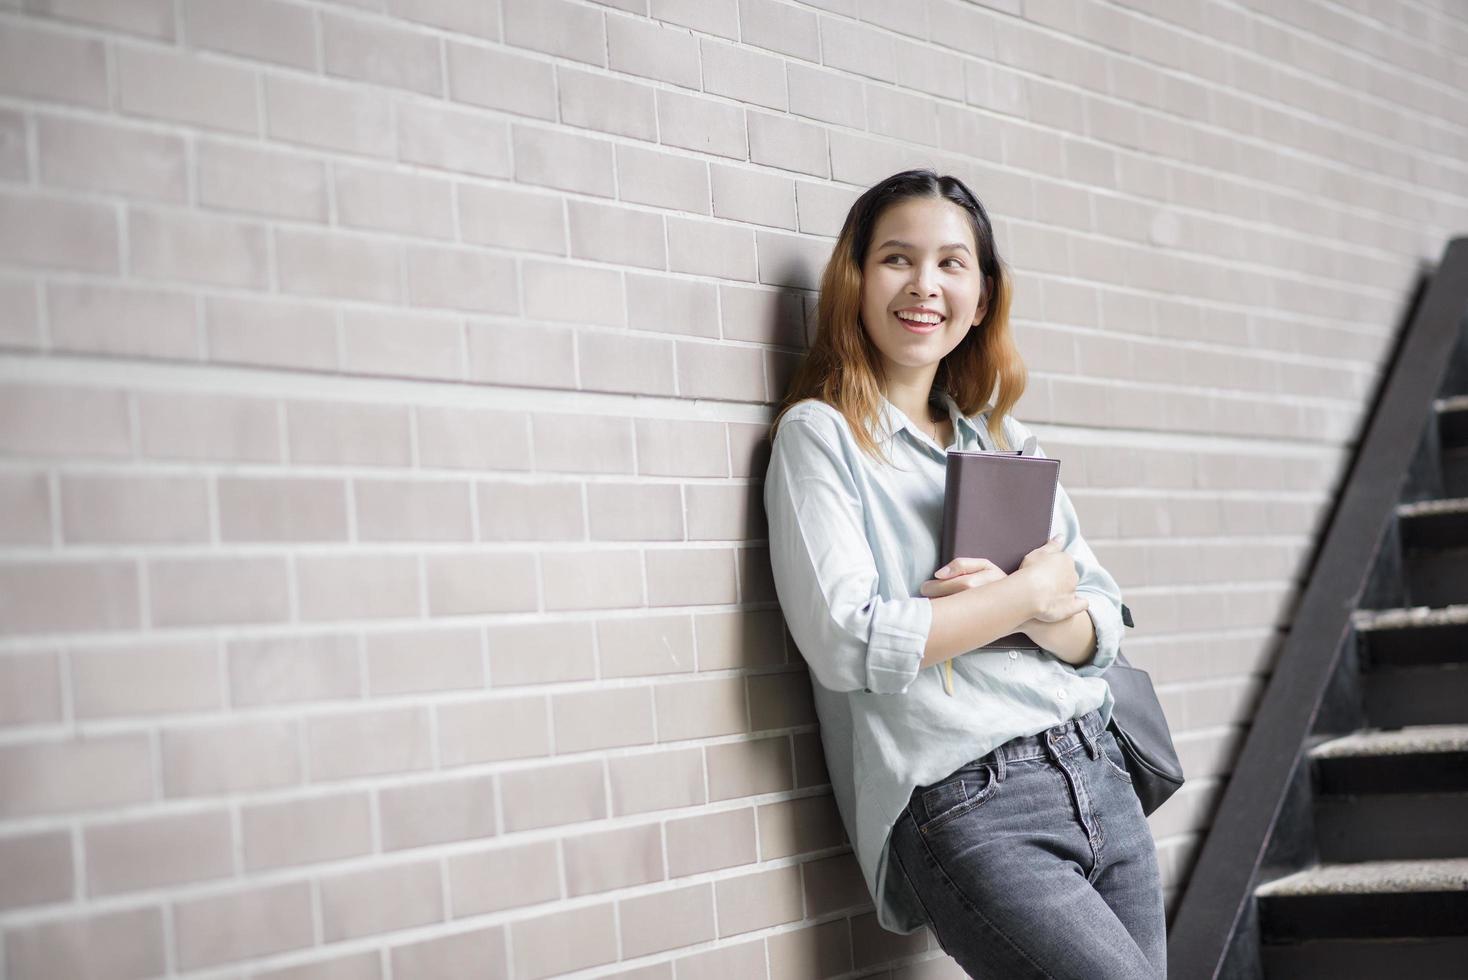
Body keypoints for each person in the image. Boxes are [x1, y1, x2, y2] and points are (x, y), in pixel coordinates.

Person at [763, 169, 1166, 979]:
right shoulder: (822, 439)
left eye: (952, 264)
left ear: (981, 298)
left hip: (1098, 769)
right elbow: (848, 641)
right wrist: (1025, 591)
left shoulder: (1001, 437)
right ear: (856, 280)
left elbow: (1101, 623)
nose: (924, 285)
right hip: (969, 799)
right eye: (896, 259)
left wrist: (1032, 608)